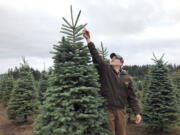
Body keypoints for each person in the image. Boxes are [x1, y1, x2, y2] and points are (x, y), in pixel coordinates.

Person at [82, 29, 142, 135]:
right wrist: (88, 40)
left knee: (121, 133)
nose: (112, 59)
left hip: (121, 111)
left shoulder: (127, 78)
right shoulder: (106, 70)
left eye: (115, 58)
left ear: (121, 63)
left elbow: (132, 97)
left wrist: (137, 113)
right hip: (108, 110)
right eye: (112, 58)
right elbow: (96, 57)